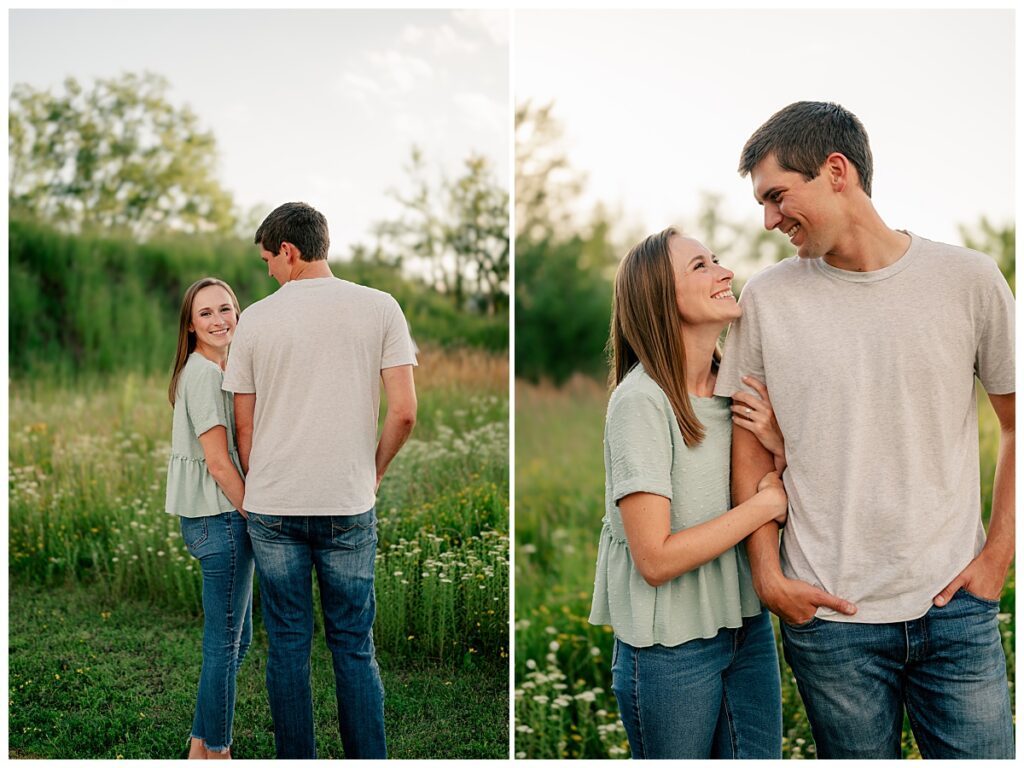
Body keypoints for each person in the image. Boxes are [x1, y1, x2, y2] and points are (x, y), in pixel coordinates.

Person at [715, 101, 1015, 759]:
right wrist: (768, 576)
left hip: (955, 612)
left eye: (777, 195)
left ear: (836, 170)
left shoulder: (968, 279)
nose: (768, 220)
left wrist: (999, 556)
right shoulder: (768, 299)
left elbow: (1016, 424)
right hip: (829, 622)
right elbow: (744, 442)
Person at [222, 202, 417, 759]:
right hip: (347, 503)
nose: (268, 272)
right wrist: (372, 473)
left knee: (286, 644)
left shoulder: (257, 318)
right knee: (354, 646)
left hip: (274, 506)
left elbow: (243, 423)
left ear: (288, 250)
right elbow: (404, 411)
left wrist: (268, 486)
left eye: (268, 259)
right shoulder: (381, 307)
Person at [588, 227, 790, 759]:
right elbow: (654, 558)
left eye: (718, 260)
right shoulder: (642, 403)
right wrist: (762, 507)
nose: (725, 272)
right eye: (700, 266)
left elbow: (790, 494)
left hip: (746, 627)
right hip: (670, 648)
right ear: (659, 296)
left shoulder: (741, 390)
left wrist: (777, 444)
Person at [165, 277, 254, 760]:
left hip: (218, 517)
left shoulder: (220, 367)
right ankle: (217, 752)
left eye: (226, 309)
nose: (219, 320)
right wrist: (256, 517)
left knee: (236, 643)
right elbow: (218, 463)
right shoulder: (201, 373)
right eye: (206, 314)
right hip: (220, 519)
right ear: (191, 325)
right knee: (225, 646)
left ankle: (200, 744)